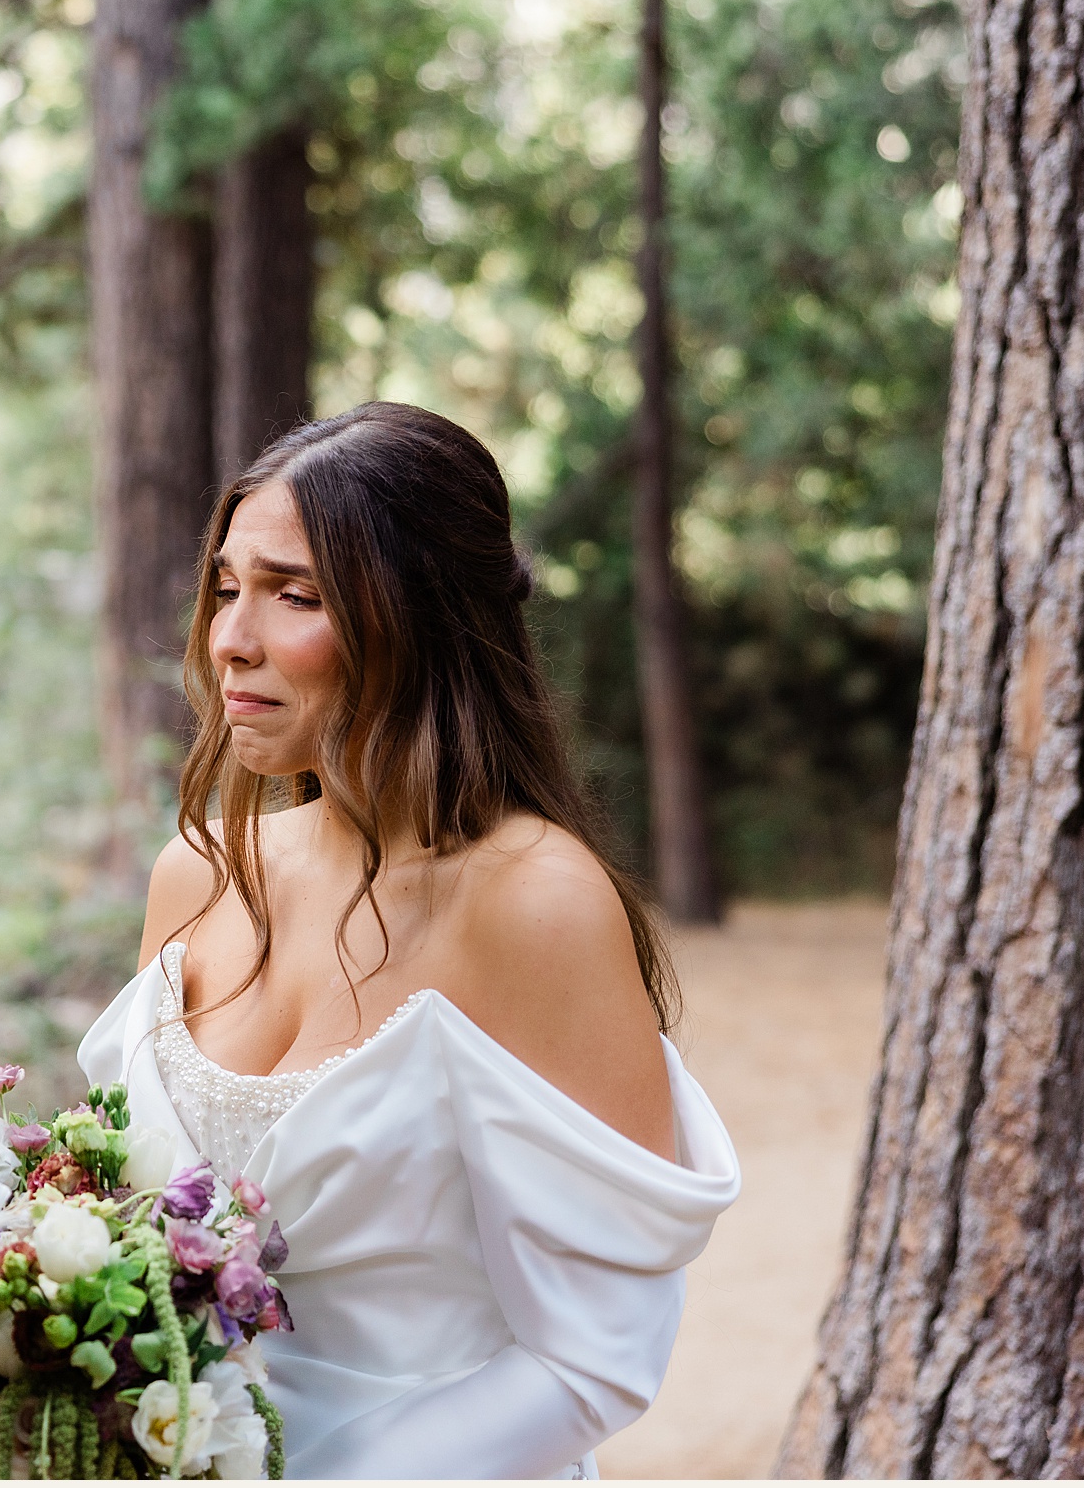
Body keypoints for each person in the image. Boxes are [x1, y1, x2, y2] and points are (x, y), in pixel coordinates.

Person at [78, 402, 741, 1479]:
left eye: (294, 596)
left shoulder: (535, 900)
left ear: (417, 617)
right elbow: (121, 1249)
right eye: (226, 589)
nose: (233, 638)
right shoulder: (197, 874)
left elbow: (596, 1358)